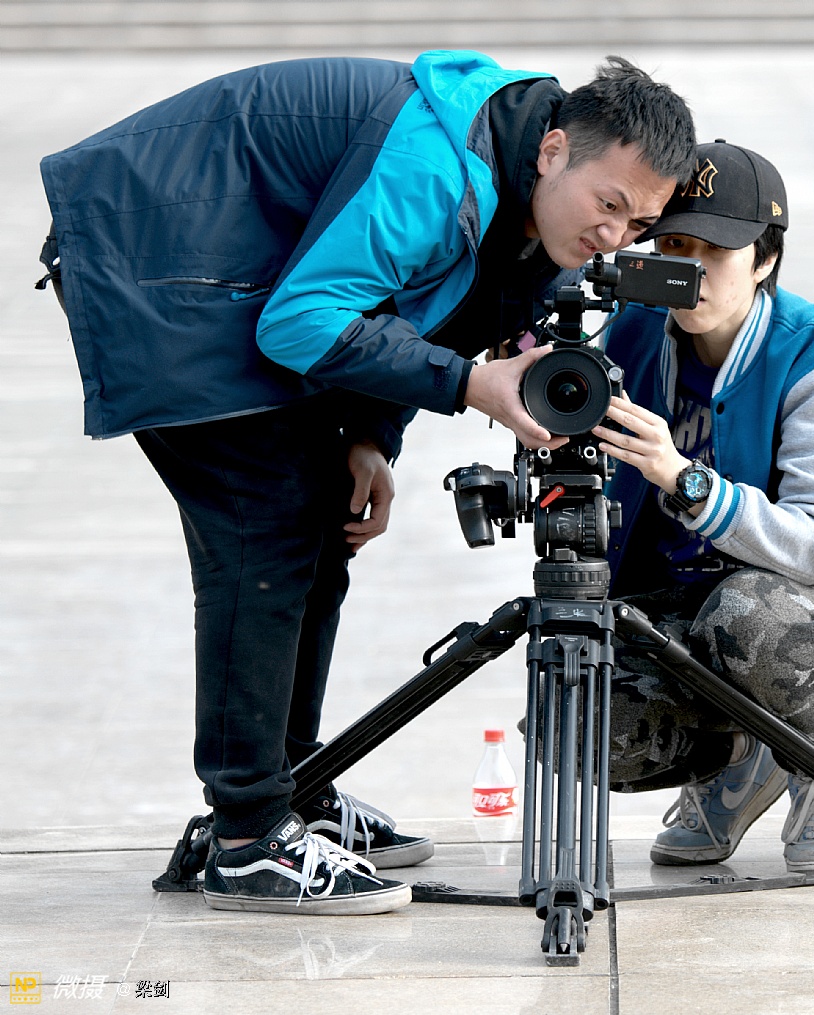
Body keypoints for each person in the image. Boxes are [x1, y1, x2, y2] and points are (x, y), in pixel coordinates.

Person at [37, 51, 694, 914]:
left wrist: (370, 437)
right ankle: (247, 841)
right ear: (554, 149)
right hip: (159, 262)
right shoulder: (438, 170)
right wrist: (468, 384)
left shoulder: (525, 201)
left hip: (244, 271)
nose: (615, 236)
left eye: (639, 224)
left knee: (324, 520)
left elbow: (432, 306)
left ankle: (293, 790)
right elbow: (301, 321)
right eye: (608, 205)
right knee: (264, 528)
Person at [589, 141, 814, 874]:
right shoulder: (633, 329)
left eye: (717, 251)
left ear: (765, 259)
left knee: (750, 613)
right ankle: (739, 761)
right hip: (683, 608)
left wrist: (685, 479)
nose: (693, 271)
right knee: (584, 700)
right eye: (675, 247)